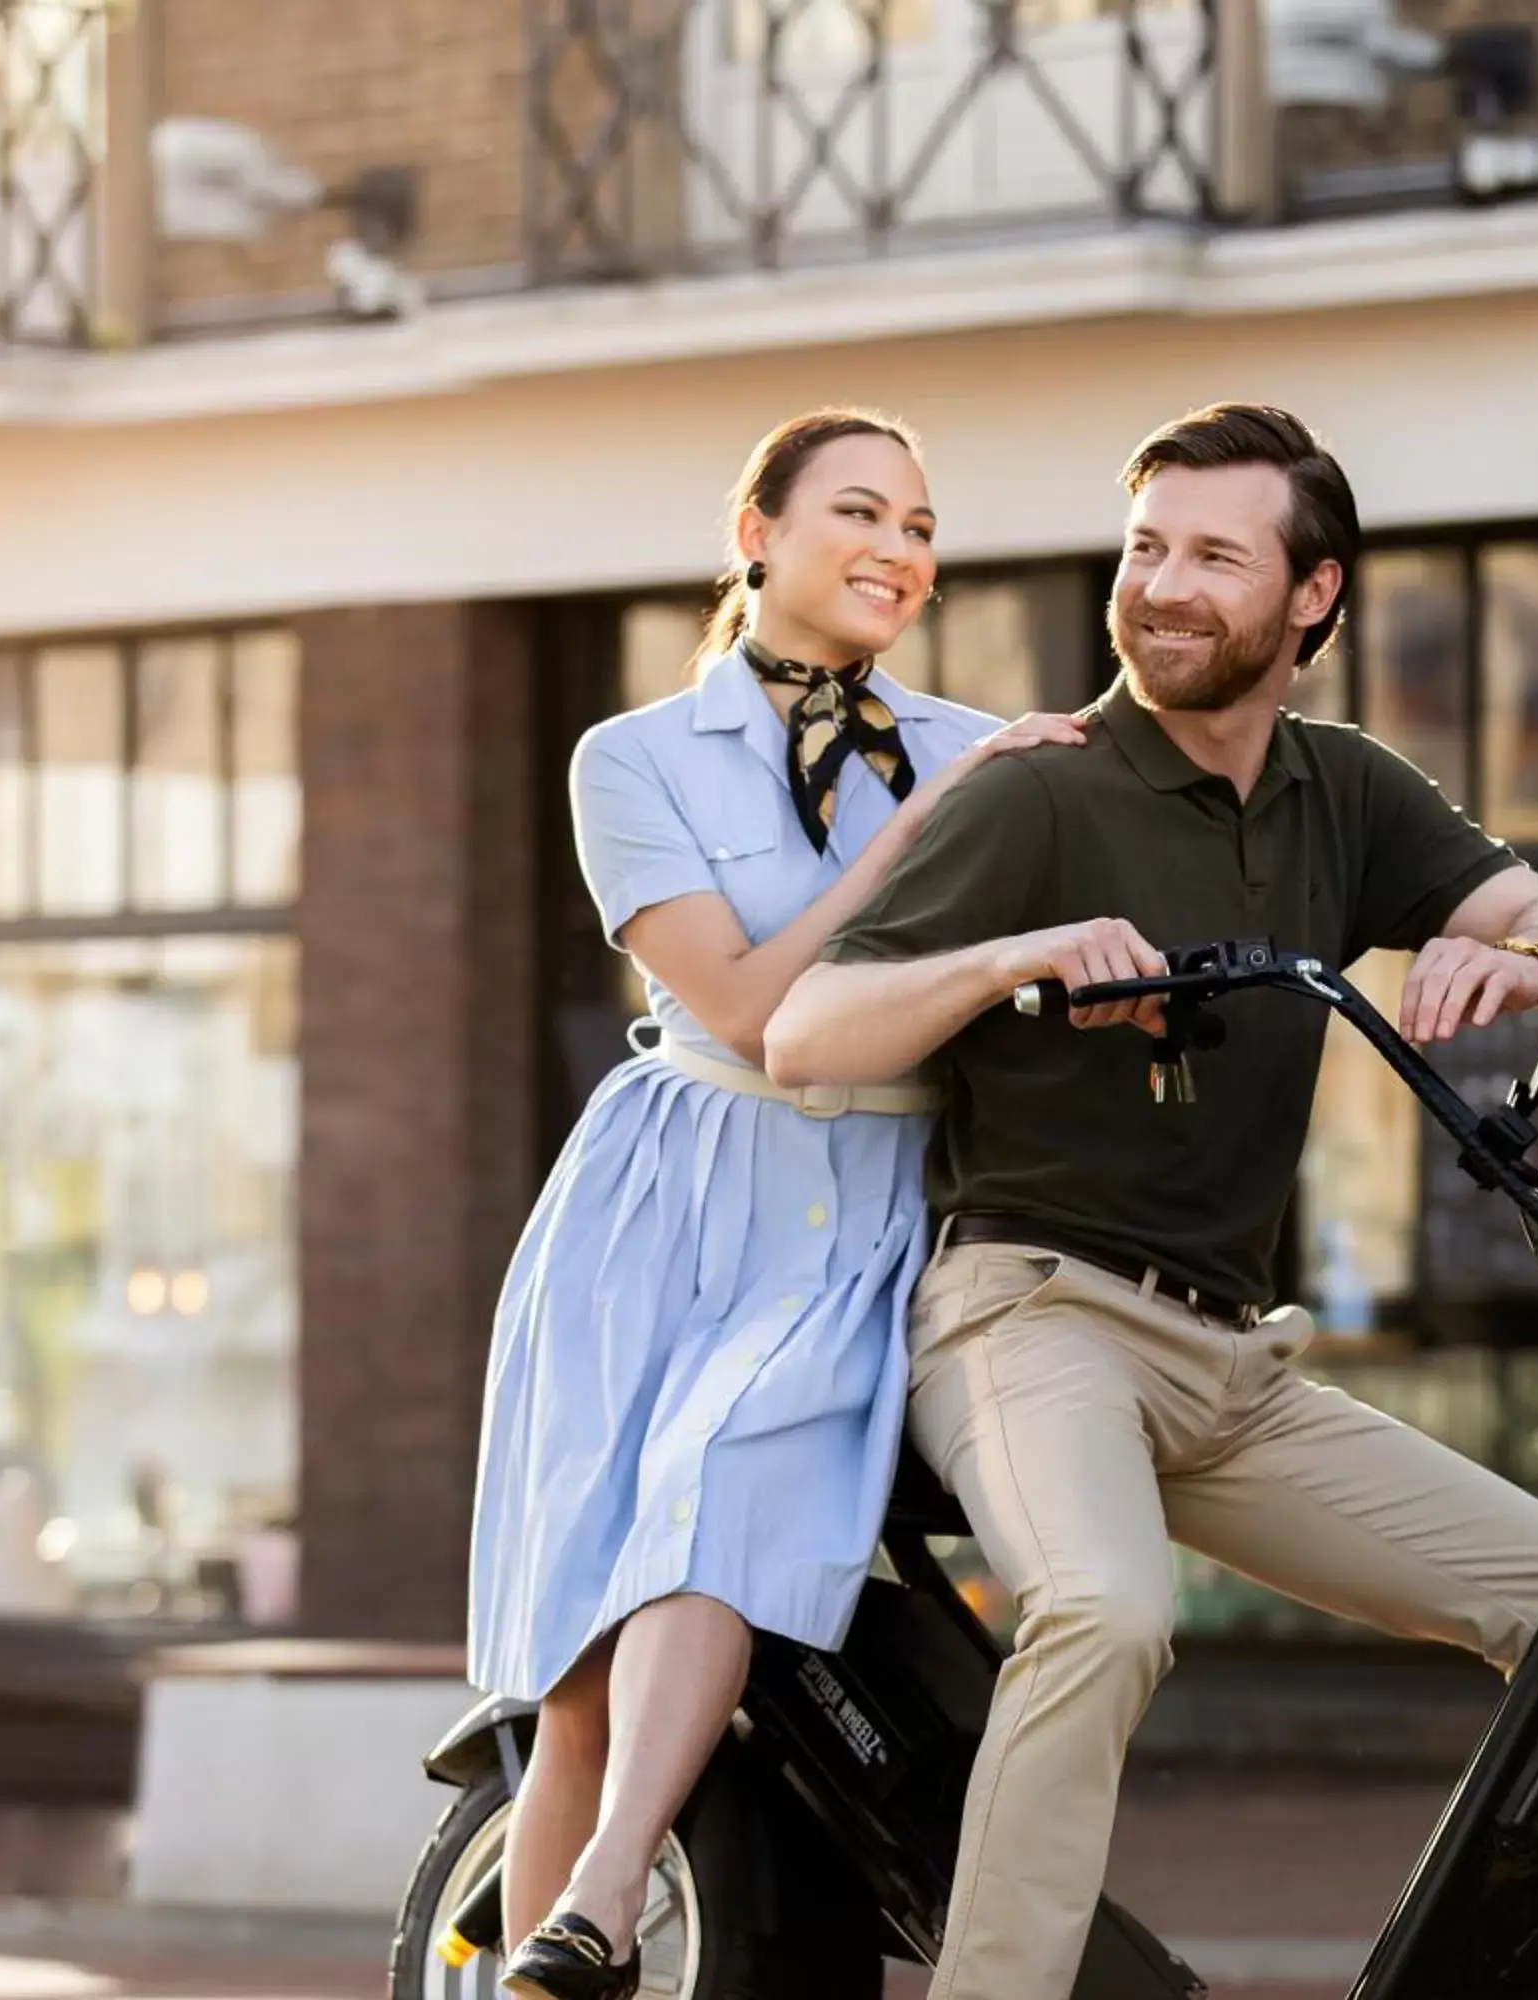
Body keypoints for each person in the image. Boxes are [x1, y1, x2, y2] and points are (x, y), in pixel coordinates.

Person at [767, 402, 1538, 2000]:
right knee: (1101, 1608)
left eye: (1214, 555)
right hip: (1030, 1314)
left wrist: (1506, 954)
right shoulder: (1041, 794)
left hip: (1236, 1368)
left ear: (1312, 597)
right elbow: (809, 1034)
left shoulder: (1343, 792)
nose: (1162, 584)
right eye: (1146, 547)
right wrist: (1019, 956)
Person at [462, 407, 1085, 2000]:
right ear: (759, 534)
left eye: (923, 525)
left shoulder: (978, 750)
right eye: (860, 512)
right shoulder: (635, 760)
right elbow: (740, 1010)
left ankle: (607, 1895)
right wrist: (933, 832)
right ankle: (559, 1946)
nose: (899, 549)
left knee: (723, 1502)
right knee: (581, 1673)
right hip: (663, 1201)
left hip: (864, 1197)